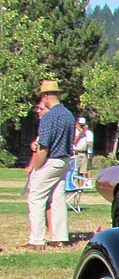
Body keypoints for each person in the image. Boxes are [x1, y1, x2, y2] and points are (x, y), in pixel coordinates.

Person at [24, 79, 75, 249]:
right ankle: (59, 237)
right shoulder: (68, 114)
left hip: (51, 160)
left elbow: (43, 146)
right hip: (65, 160)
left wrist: (36, 168)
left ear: (46, 96)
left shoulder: (49, 117)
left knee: (36, 198)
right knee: (57, 199)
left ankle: (36, 240)